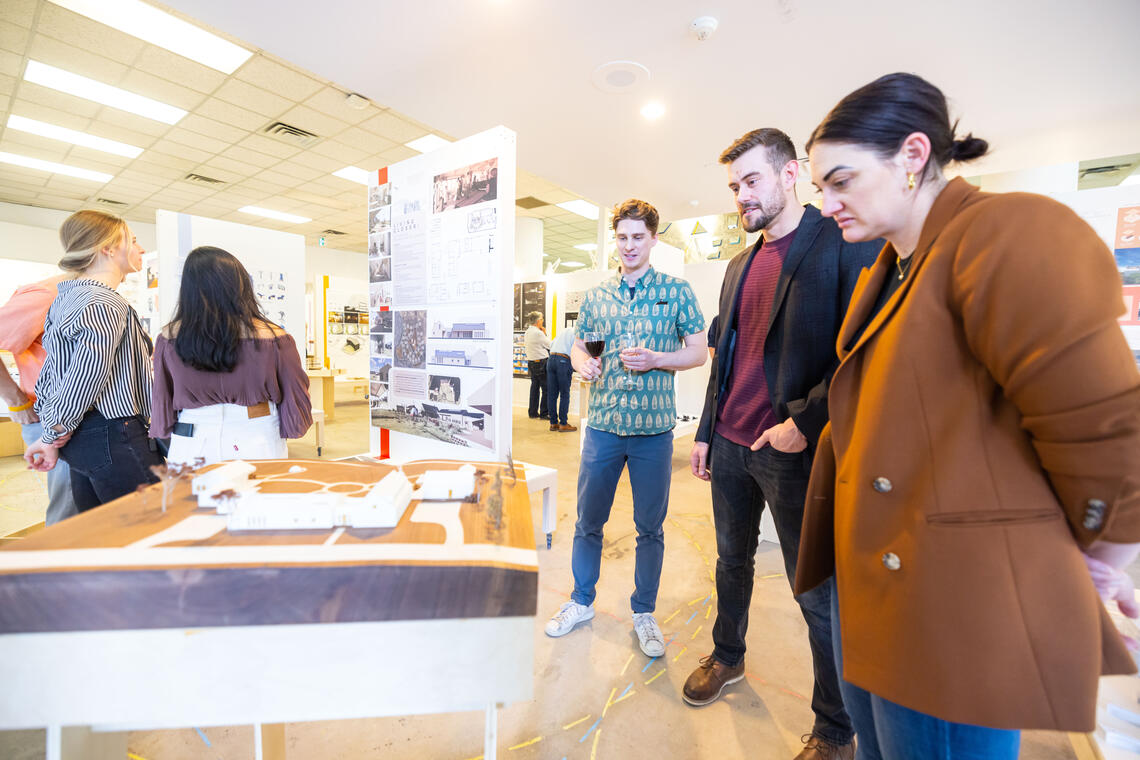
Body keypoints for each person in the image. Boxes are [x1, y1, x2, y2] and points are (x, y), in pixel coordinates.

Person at [797, 72, 1140, 758]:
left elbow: (1102, 425)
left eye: (842, 181)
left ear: (913, 155)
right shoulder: (894, 268)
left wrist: (1107, 552)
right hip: (878, 583)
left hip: (948, 602)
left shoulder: (1006, 230)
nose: (828, 203)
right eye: (820, 189)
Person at [684, 129, 881, 760]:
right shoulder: (740, 264)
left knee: (816, 592)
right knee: (730, 563)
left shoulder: (841, 242)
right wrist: (706, 431)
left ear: (790, 173)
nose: (742, 196)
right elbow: (726, 357)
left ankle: (835, 726)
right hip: (734, 445)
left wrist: (806, 421)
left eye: (752, 181)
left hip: (794, 450)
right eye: (735, 186)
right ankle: (728, 655)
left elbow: (863, 352)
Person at [545, 198, 707, 657]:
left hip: (654, 431)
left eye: (638, 237)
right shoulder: (597, 296)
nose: (629, 246)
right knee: (587, 521)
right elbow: (579, 348)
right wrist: (582, 366)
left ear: (654, 238)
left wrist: (658, 359)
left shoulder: (676, 291)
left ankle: (643, 611)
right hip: (603, 426)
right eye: (622, 238)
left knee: (649, 527)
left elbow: (698, 351)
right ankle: (581, 601)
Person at [24, 210, 163, 510]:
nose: (140, 250)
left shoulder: (66, 298)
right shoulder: (102, 302)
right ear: (108, 248)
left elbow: (53, 374)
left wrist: (53, 429)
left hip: (86, 440)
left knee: (107, 533)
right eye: (134, 241)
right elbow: (85, 377)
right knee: (154, 528)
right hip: (114, 436)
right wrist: (51, 435)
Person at [151, 246, 312, 465]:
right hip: (257, 433)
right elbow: (295, 393)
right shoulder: (275, 337)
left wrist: (162, 428)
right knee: (259, 497)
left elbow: (162, 396)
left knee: (193, 499)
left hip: (190, 438)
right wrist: (294, 427)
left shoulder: (168, 338)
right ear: (240, 284)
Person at [0, 274, 79, 525]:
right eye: (131, 240)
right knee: (68, 514)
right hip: (52, 421)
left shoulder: (91, 294)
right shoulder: (46, 295)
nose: (141, 249)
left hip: (83, 423)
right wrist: (16, 400)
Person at [546, 323, 576, 432]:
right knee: (564, 393)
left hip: (551, 359)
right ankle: (563, 423)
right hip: (563, 361)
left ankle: (553, 423)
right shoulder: (578, 332)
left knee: (552, 395)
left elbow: (551, 344)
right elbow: (576, 351)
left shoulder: (565, 330)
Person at [524, 311, 550, 419]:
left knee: (534, 388)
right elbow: (549, 345)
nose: (543, 321)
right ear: (538, 321)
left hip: (531, 362)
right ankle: (544, 413)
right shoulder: (538, 333)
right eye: (542, 319)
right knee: (546, 388)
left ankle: (533, 412)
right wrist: (544, 333)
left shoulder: (528, 332)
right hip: (541, 363)